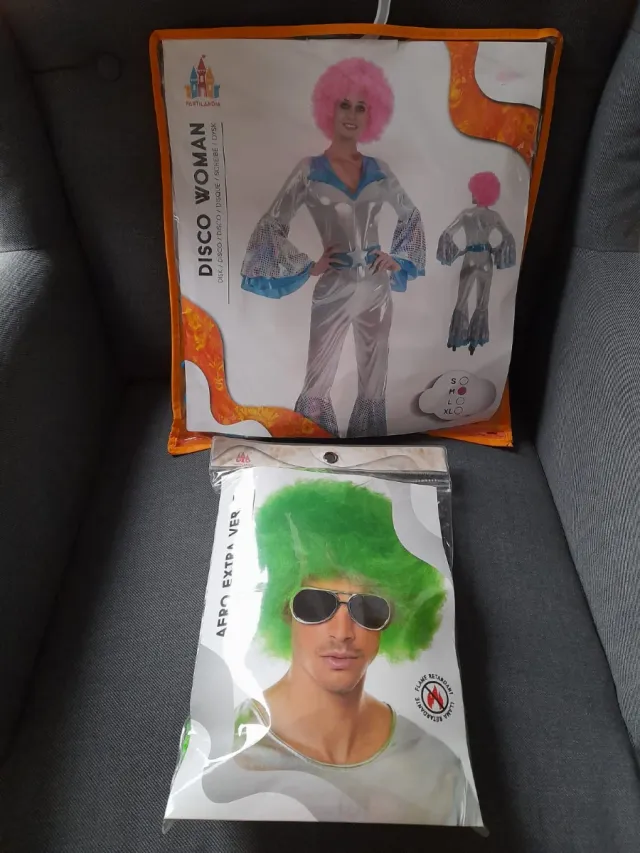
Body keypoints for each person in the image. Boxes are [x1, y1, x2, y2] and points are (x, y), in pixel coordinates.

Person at [203, 479, 481, 825]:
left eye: (369, 609)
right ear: (283, 609)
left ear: (393, 619)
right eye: (316, 604)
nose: (343, 633)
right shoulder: (224, 747)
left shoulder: (437, 770)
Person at [240, 58, 426, 438]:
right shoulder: (309, 170)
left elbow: (411, 215)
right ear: (330, 109)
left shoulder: (380, 170)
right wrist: (308, 266)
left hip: (377, 289)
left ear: (371, 114)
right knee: (317, 382)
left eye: (361, 107)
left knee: (374, 384)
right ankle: (311, 447)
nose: (352, 115)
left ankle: (368, 451)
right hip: (333, 288)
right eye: (344, 105)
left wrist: (397, 258)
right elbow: (271, 224)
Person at [436, 171, 516, 354]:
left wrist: (455, 252)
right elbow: (509, 237)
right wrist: (497, 251)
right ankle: (475, 339)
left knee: (462, 299)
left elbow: (447, 234)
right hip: (487, 260)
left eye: (473, 191)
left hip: (470, 258)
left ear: (478, 192)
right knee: (482, 301)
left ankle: (456, 338)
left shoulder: (466, 214)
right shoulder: (494, 216)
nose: (471, 194)